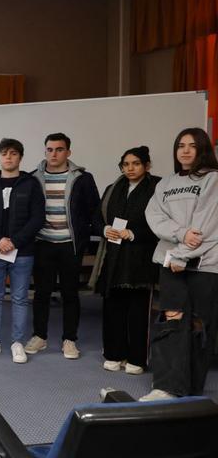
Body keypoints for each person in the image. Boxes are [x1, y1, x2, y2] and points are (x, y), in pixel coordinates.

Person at [141, 128, 218, 401]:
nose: (185, 150)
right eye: (180, 145)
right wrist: (179, 237)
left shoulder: (213, 180)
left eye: (192, 145)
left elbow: (208, 224)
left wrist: (183, 254)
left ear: (203, 149)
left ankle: (192, 387)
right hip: (170, 261)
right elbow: (154, 216)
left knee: (198, 324)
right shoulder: (165, 184)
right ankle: (167, 386)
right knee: (172, 320)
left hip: (204, 264)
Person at [26, 133, 99, 360]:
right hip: (43, 244)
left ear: (68, 152)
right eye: (49, 149)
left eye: (59, 149)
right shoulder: (33, 178)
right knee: (41, 294)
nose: (53, 154)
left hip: (70, 245)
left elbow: (93, 210)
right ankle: (40, 336)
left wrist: (85, 238)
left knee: (70, 294)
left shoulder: (83, 178)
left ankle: (69, 339)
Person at [89, 146, 160, 376]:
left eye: (136, 163)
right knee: (113, 308)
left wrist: (134, 233)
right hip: (114, 256)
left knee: (138, 311)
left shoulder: (157, 187)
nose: (130, 168)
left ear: (147, 166)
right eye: (126, 164)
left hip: (141, 257)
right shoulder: (112, 189)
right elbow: (96, 219)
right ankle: (113, 353)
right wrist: (105, 229)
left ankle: (137, 358)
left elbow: (163, 224)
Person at [0, 138, 45, 364]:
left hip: (22, 251)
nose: (9, 157)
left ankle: (17, 342)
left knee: (19, 298)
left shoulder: (31, 184)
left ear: (20, 157)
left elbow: (37, 218)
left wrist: (14, 241)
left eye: (13, 153)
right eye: (4, 153)